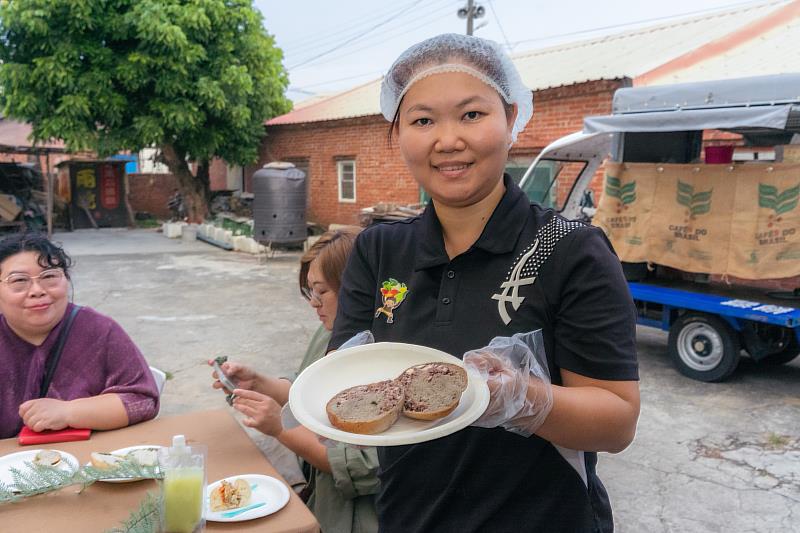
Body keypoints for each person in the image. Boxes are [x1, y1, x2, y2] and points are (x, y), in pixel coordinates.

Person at [329, 34, 640, 532]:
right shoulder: (379, 249)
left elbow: (617, 420)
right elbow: (343, 372)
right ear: (398, 133)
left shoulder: (570, 249)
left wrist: (521, 398)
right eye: (423, 120)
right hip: (408, 518)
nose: (448, 140)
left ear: (512, 117)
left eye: (471, 114)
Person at [211, 227, 379, 533]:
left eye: (322, 291)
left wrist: (278, 429)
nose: (313, 303)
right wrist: (257, 383)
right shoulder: (326, 334)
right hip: (321, 501)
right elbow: (305, 392)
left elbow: (360, 466)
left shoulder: (381, 356)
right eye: (309, 292)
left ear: (357, 287)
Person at [0, 232, 160, 438]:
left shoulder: (100, 331)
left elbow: (143, 400)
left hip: (87, 462)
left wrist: (69, 412)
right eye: (19, 281)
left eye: (49, 276)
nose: (37, 290)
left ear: (66, 280)